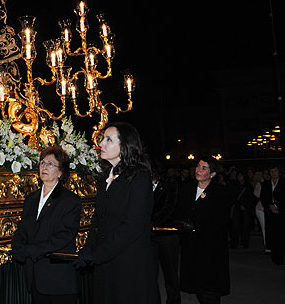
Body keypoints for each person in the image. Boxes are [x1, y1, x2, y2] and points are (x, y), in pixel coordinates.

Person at [74, 122, 159, 304]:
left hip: (129, 262)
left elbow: (132, 227)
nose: (101, 144)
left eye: (108, 140)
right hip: (107, 261)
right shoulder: (105, 177)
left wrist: (97, 254)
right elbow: (98, 220)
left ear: (125, 146)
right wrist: (88, 248)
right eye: (103, 139)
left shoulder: (140, 177)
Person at [11, 146, 82, 304]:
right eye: (42, 163)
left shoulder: (70, 201)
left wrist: (31, 250)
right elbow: (23, 229)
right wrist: (16, 245)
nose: (44, 167)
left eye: (50, 164)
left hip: (58, 280)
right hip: (35, 278)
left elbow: (63, 237)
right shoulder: (31, 199)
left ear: (61, 172)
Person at [175, 156, 231, 304]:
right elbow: (180, 210)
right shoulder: (188, 187)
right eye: (198, 166)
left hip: (211, 246)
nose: (199, 170)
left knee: (210, 288)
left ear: (212, 174)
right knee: (197, 285)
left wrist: (197, 225)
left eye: (204, 168)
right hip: (191, 245)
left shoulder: (220, 192)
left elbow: (221, 220)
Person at [150, 159, 180, 304]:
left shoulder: (170, 183)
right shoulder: (142, 184)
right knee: (150, 273)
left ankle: (174, 301)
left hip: (167, 234)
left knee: (171, 273)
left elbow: (169, 207)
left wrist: (152, 223)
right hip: (149, 236)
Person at [260, 165, 284, 265]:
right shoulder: (265, 184)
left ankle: (280, 254)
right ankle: (275, 255)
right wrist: (270, 206)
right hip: (270, 212)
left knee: (281, 234)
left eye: (275, 171)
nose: (273, 173)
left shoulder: (283, 183)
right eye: (272, 171)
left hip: (281, 212)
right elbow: (263, 197)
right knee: (272, 234)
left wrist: (278, 207)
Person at [229, 171, 254, 249]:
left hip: (246, 208)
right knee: (235, 226)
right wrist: (239, 205)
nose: (239, 177)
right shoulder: (235, 186)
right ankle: (235, 243)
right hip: (237, 208)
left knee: (245, 227)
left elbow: (251, 198)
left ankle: (245, 243)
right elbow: (233, 197)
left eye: (241, 175)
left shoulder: (248, 186)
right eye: (238, 175)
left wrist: (246, 206)